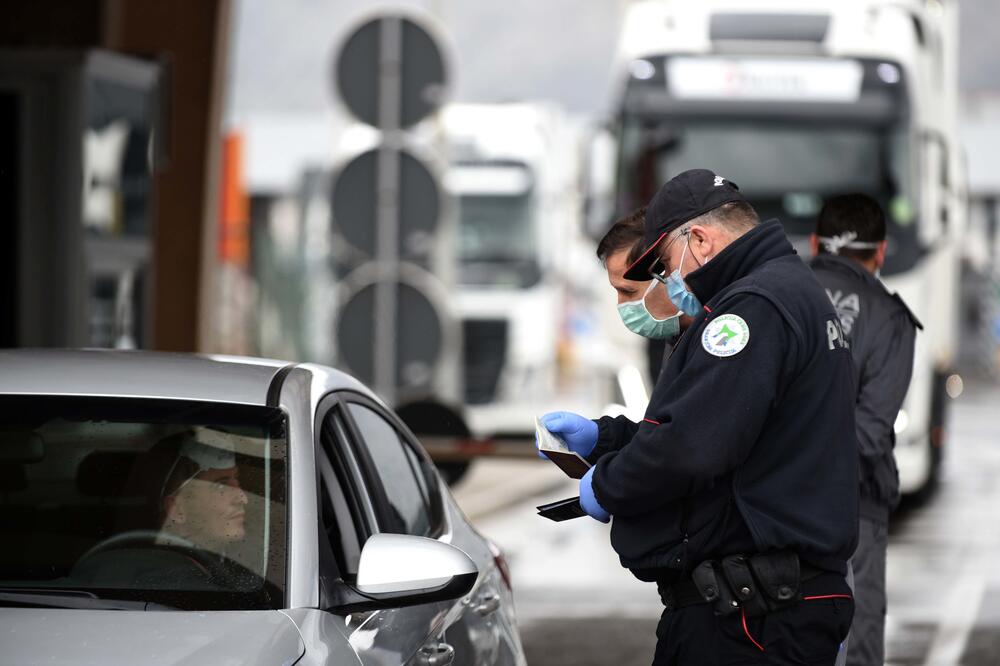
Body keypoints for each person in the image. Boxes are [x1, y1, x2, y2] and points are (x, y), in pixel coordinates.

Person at [541, 169, 858, 665]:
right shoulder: (790, 290)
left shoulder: (749, 310)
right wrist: (605, 441)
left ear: (702, 240)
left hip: (752, 615)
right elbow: (725, 428)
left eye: (666, 266)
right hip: (771, 604)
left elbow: (692, 445)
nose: (668, 281)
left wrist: (606, 487)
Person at [810, 193, 921, 666]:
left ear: (815, 243)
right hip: (853, 511)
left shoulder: (771, 296)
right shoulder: (892, 319)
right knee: (854, 639)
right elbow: (872, 433)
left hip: (763, 506)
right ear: (881, 252)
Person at [595, 206, 687, 381]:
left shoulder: (717, 335)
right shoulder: (670, 337)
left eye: (628, 291)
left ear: (668, 275)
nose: (621, 304)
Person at [156, 430, 249, 553]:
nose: (243, 499)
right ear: (177, 509)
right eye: (221, 487)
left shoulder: (236, 560)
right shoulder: (163, 569)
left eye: (237, 480)